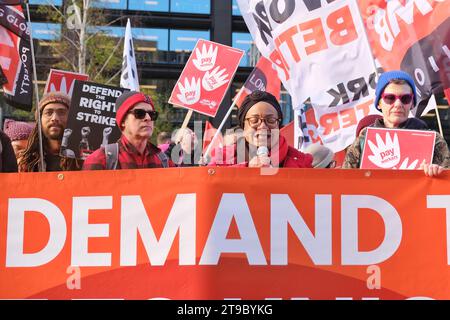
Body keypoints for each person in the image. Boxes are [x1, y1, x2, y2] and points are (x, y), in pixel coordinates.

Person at [343, 70, 450, 176]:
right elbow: (345, 181)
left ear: (412, 103)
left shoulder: (434, 141)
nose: (398, 104)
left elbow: (446, 184)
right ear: (379, 103)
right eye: (390, 98)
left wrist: (438, 174)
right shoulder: (364, 139)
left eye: (405, 98)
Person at [209, 90, 313, 168]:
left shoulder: (302, 164)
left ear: (278, 124)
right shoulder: (219, 162)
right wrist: (247, 170)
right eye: (254, 120)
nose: (263, 126)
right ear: (243, 126)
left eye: (271, 120)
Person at [83, 91, 175, 170]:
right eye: (139, 113)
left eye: (152, 114)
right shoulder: (101, 159)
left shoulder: (165, 161)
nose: (148, 118)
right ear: (123, 121)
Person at [19, 92, 82, 172]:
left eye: (61, 113)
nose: (54, 118)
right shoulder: (27, 162)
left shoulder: (83, 160)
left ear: (71, 118)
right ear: (39, 120)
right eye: (48, 113)